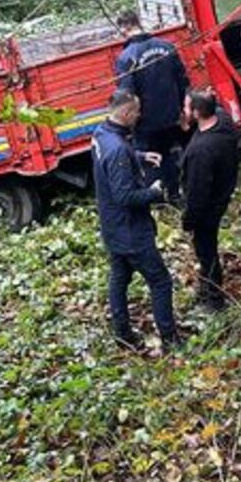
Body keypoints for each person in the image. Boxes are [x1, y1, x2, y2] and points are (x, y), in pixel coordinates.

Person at [91, 89, 182, 351]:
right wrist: (154, 192)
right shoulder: (118, 150)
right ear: (126, 113)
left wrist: (140, 156)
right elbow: (125, 196)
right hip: (131, 230)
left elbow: (114, 160)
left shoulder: (102, 133)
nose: (140, 115)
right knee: (160, 281)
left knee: (119, 278)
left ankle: (122, 334)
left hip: (112, 227)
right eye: (137, 111)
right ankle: (170, 339)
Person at [114, 11, 190, 204]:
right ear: (138, 23)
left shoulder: (126, 58)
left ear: (124, 29)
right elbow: (182, 80)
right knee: (170, 155)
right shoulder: (167, 46)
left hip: (145, 122)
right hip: (171, 115)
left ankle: (156, 199)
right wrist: (181, 109)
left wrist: (128, 124)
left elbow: (126, 96)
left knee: (149, 160)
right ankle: (175, 195)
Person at [181, 89, 239, 312]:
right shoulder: (223, 123)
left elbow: (197, 193)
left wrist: (189, 220)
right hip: (222, 194)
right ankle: (206, 285)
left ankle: (214, 299)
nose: (183, 111)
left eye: (186, 107)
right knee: (207, 249)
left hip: (208, 210)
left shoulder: (201, 151)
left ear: (196, 113)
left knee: (206, 251)